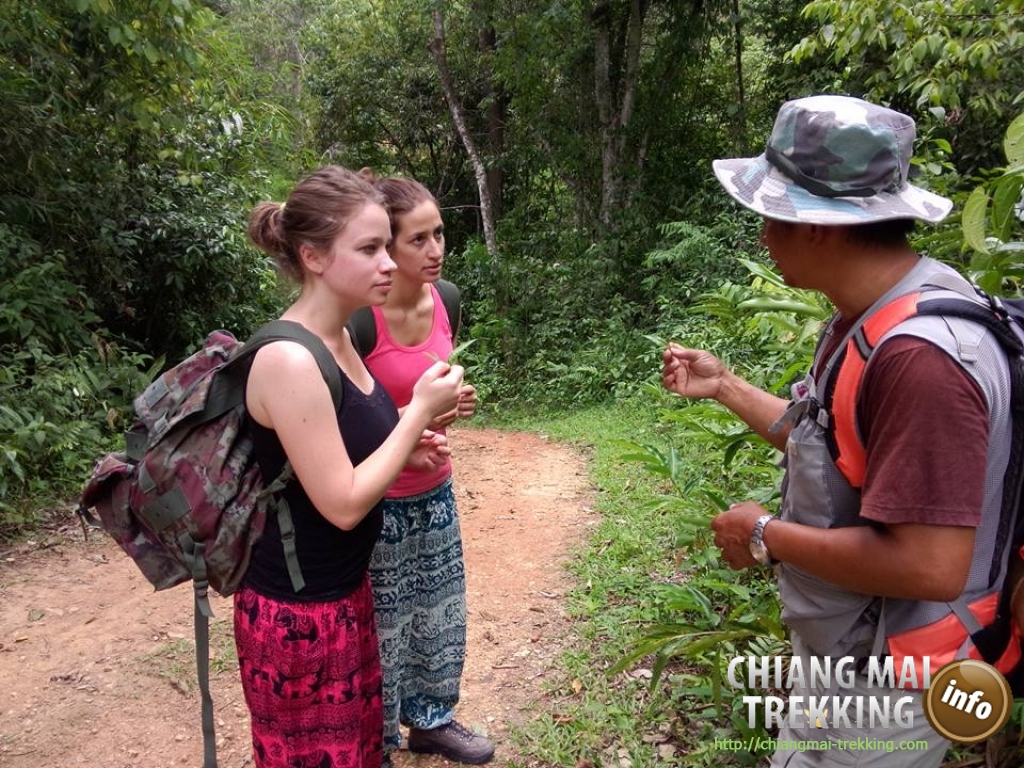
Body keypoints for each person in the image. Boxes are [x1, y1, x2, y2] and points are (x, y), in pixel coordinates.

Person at [661, 95, 1014, 767]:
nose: (763, 234)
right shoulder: (871, 316)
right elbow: (836, 447)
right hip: (850, 657)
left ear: (819, 224)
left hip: (893, 685)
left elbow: (931, 565)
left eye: (771, 216)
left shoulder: (923, 359)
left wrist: (762, 533)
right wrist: (726, 386)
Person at [240, 165, 465, 768]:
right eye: (369, 249)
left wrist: (406, 448)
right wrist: (418, 414)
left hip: (346, 593)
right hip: (300, 616)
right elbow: (341, 502)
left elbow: (344, 451)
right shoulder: (289, 358)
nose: (389, 262)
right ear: (313, 257)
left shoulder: (338, 337)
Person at [348, 174, 495, 765]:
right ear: (387, 247)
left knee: (436, 608)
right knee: (381, 624)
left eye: (439, 235)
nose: (435, 250)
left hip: (433, 490)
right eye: (418, 240)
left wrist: (448, 411)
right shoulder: (360, 320)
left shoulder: (446, 300)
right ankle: (376, 741)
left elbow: (426, 408)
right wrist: (412, 422)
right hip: (376, 497)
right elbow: (343, 427)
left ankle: (432, 720)